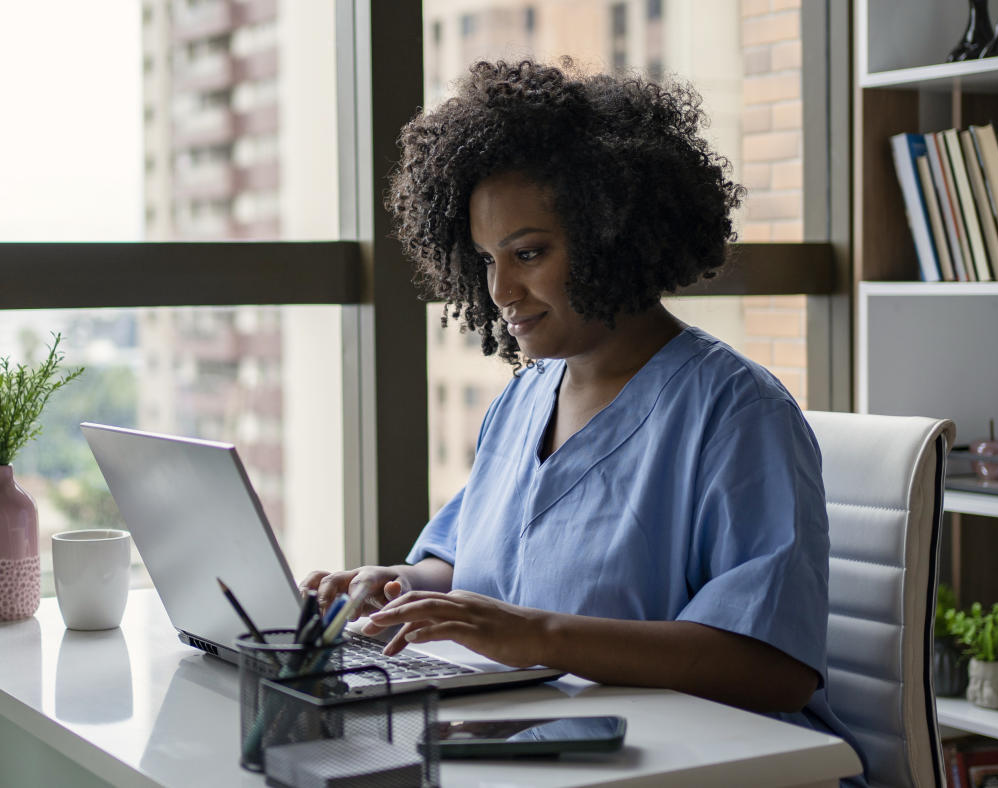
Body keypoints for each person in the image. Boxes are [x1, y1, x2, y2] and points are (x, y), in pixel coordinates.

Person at [300, 58, 867, 785]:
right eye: (485, 259)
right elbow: (476, 560)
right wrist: (406, 583)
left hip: (714, 766)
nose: (502, 289)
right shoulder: (524, 397)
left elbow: (775, 670)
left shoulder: (736, 412)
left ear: (613, 236)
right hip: (553, 752)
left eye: (529, 253)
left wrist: (536, 635)